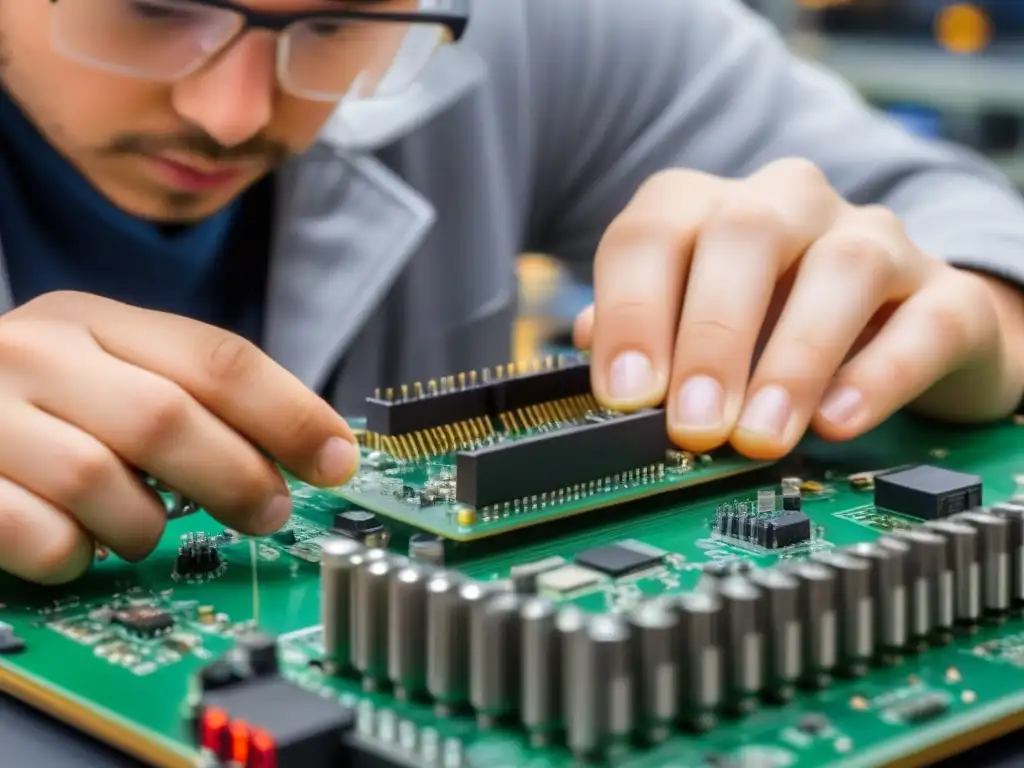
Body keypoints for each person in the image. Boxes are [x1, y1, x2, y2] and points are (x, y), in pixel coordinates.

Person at [0, 0, 1021, 586]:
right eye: (158, 6)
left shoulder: (521, 19)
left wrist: (977, 315)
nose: (229, 115)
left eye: (333, 23)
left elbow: (950, 215)